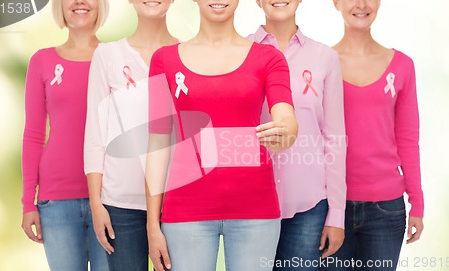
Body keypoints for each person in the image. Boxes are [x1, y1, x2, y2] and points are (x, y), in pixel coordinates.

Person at [145, 0, 298, 270]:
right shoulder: (164, 60)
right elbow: (158, 143)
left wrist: (286, 130)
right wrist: (152, 226)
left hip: (256, 211)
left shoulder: (269, 57)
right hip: (185, 212)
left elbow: (286, 116)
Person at [322, 0, 425, 270]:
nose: (360, 4)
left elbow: (408, 139)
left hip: (386, 209)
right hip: (331, 208)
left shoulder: (402, 65)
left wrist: (417, 203)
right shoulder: (321, 63)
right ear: (335, 3)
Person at [248, 1, 346, 270]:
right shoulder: (238, 52)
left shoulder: (324, 57)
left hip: (308, 206)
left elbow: (335, 138)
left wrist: (337, 214)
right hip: (249, 205)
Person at [84, 0, 178, 270]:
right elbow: (95, 132)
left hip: (175, 201)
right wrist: (96, 202)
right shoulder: (107, 55)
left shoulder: (187, 54)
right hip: (119, 203)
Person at [21, 0, 110, 270]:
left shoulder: (116, 57)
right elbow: (34, 135)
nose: (80, 2)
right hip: (56, 201)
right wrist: (28, 202)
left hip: (110, 198)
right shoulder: (42, 61)